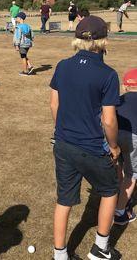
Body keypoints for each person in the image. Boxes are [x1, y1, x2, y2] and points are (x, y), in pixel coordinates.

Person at [50, 16, 122, 260]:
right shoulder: (108, 74)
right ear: (102, 40)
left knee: (64, 199)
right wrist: (114, 147)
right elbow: (109, 120)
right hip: (92, 146)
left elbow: (54, 104)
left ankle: (60, 255)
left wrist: (61, 130)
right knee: (111, 190)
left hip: (63, 143)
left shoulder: (62, 65)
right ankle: (101, 249)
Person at [114, 68, 137, 225]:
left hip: (114, 134)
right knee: (133, 173)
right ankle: (120, 212)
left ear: (125, 86)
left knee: (120, 165)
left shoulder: (118, 100)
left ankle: (118, 195)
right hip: (133, 136)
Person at [13, 12, 34, 76]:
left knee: (23, 57)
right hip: (28, 44)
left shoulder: (18, 27)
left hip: (21, 44)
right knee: (24, 55)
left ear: (20, 18)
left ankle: (25, 71)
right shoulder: (28, 26)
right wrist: (30, 41)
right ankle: (30, 66)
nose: (16, 19)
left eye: (17, 17)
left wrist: (16, 45)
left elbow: (18, 36)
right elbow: (32, 35)